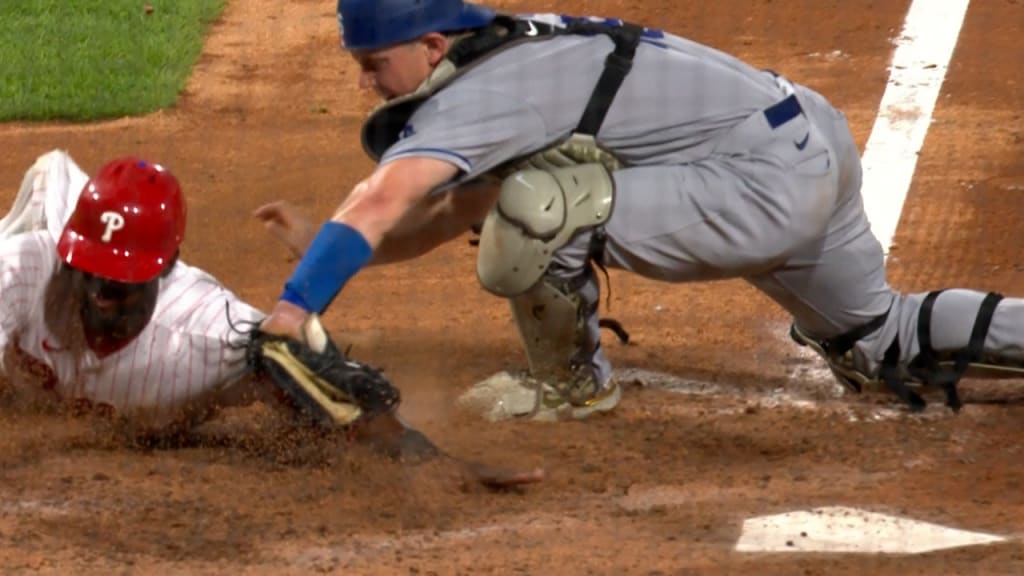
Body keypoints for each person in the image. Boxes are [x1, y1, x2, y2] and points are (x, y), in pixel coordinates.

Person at [255, 0, 1024, 420]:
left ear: (428, 45)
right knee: (878, 343)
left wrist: (297, 307)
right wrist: (330, 246)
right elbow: (452, 208)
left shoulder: (482, 97)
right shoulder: (506, 48)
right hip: (803, 138)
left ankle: (571, 388)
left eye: (371, 65)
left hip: (761, 185)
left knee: (541, 208)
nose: (366, 84)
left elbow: (386, 197)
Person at [0, 149, 543, 488]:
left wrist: (431, 460)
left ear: (162, 269)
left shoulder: (202, 332)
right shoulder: (25, 270)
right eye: (88, 269)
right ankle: (58, 182)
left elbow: (304, 365)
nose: (100, 292)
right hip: (37, 241)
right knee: (46, 183)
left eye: (121, 279)